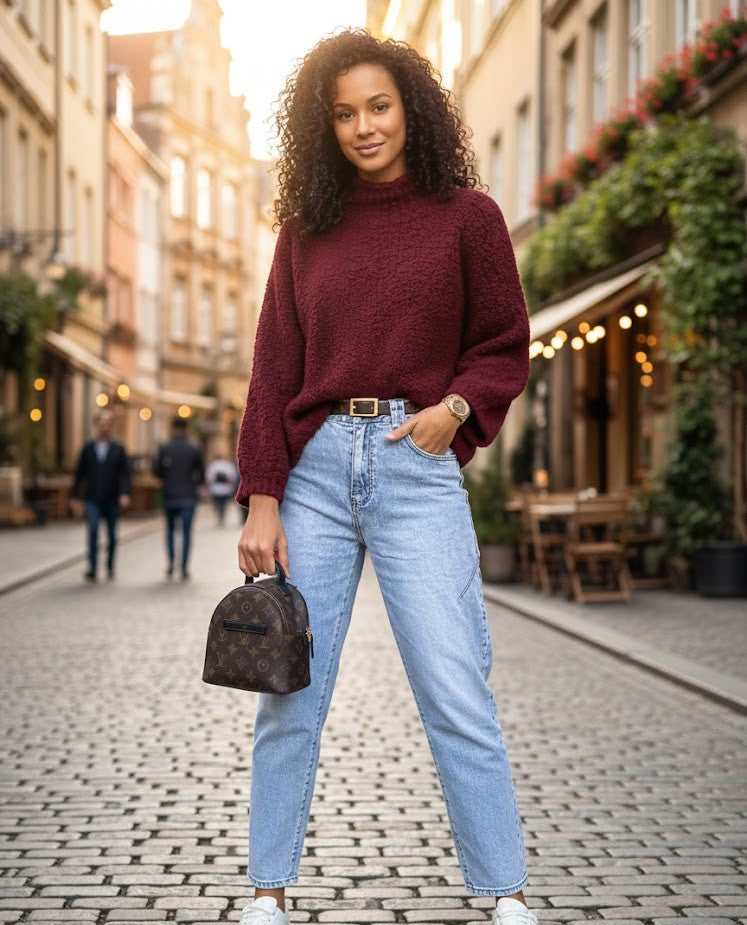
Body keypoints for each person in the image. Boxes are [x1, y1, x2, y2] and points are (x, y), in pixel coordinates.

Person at [235, 30, 535, 925]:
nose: (363, 127)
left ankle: (504, 892)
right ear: (321, 127)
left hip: (416, 462)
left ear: (410, 107)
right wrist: (263, 496)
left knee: (454, 686)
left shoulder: (466, 216)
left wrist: (454, 409)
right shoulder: (306, 229)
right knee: (289, 691)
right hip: (318, 467)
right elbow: (271, 368)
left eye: (377, 106)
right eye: (343, 113)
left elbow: (502, 343)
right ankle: (266, 891)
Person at [70, 408, 131, 582]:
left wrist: (125, 493)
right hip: (92, 499)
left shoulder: (118, 448)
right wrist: (74, 497)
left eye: (107, 424)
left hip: (112, 499)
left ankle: (110, 565)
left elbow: (125, 474)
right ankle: (92, 567)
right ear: (96, 425)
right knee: (93, 531)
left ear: (111, 426)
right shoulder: (88, 448)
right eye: (101, 424)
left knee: (111, 536)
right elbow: (79, 474)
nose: (104, 427)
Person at [152, 416, 205, 580]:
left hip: (169, 495)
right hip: (188, 496)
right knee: (187, 533)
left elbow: (156, 470)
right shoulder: (194, 448)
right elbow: (201, 473)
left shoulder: (165, 447)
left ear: (172, 428)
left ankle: (170, 564)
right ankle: (184, 567)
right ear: (186, 428)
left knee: (170, 531)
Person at [205, 447, 239, 527]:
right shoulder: (228, 465)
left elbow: (209, 477)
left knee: (217, 504)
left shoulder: (212, 465)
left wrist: (209, 486)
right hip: (225, 489)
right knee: (224, 504)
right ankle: (222, 517)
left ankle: (219, 517)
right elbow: (232, 477)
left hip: (215, 489)